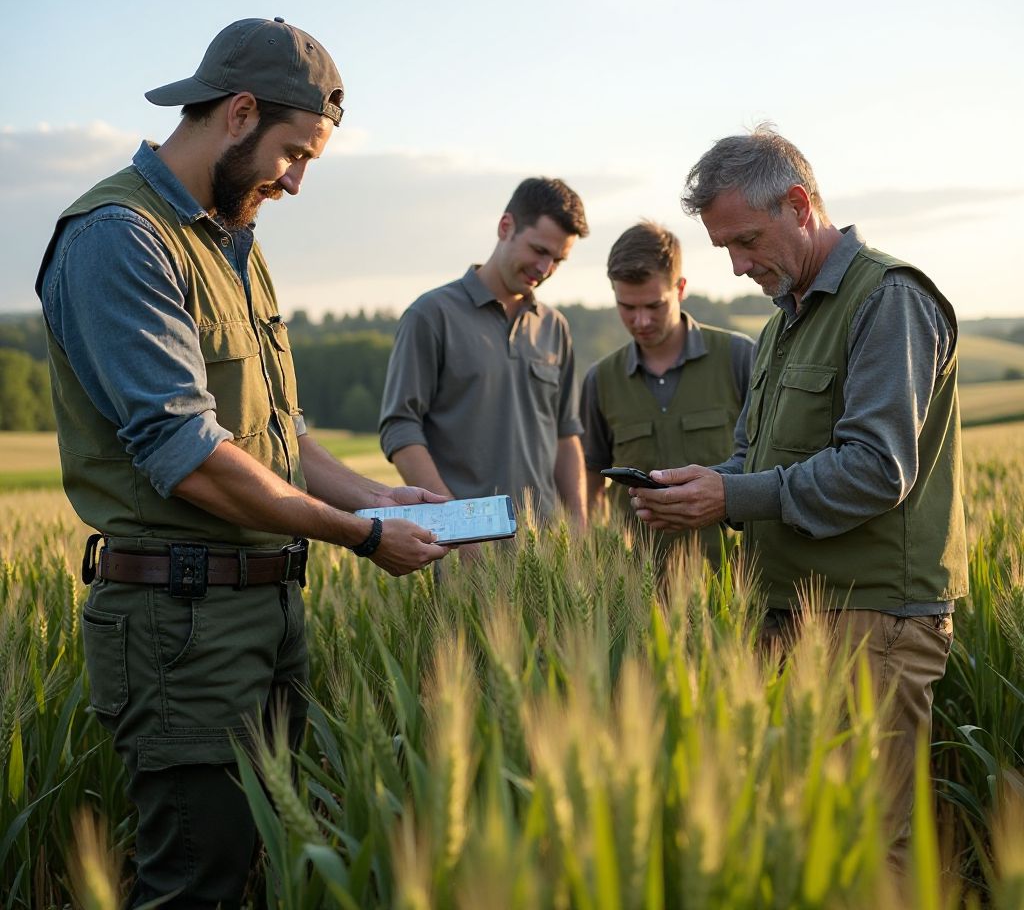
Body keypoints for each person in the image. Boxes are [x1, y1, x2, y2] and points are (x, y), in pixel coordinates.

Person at [36, 17, 449, 908]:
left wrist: (378, 493)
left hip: (262, 611)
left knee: (258, 869)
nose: (297, 182)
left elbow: (278, 435)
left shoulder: (234, 243)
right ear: (239, 113)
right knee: (197, 881)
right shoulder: (120, 237)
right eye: (293, 155)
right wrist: (361, 535)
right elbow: (192, 456)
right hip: (181, 628)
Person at [632, 125, 968, 866]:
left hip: (873, 617)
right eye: (724, 248)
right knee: (802, 838)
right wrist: (704, 486)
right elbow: (758, 459)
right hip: (787, 609)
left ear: (798, 202)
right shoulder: (785, 320)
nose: (738, 264)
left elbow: (878, 469)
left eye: (747, 240)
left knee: (872, 841)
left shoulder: (889, 300)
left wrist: (733, 497)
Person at [379, 178, 590, 528]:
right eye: (539, 250)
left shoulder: (555, 327)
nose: (545, 269)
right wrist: (455, 524)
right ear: (506, 226)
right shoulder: (431, 315)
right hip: (463, 550)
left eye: (558, 260)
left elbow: (566, 435)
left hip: (549, 556)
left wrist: (580, 526)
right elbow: (400, 427)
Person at [580, 220, 753, 567]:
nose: (641, 321)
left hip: (735, 585)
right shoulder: (600, 380)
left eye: (654, 305)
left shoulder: (740, 357)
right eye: (627, 307)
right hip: (638, 590)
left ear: (681, 288)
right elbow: (589, 486)